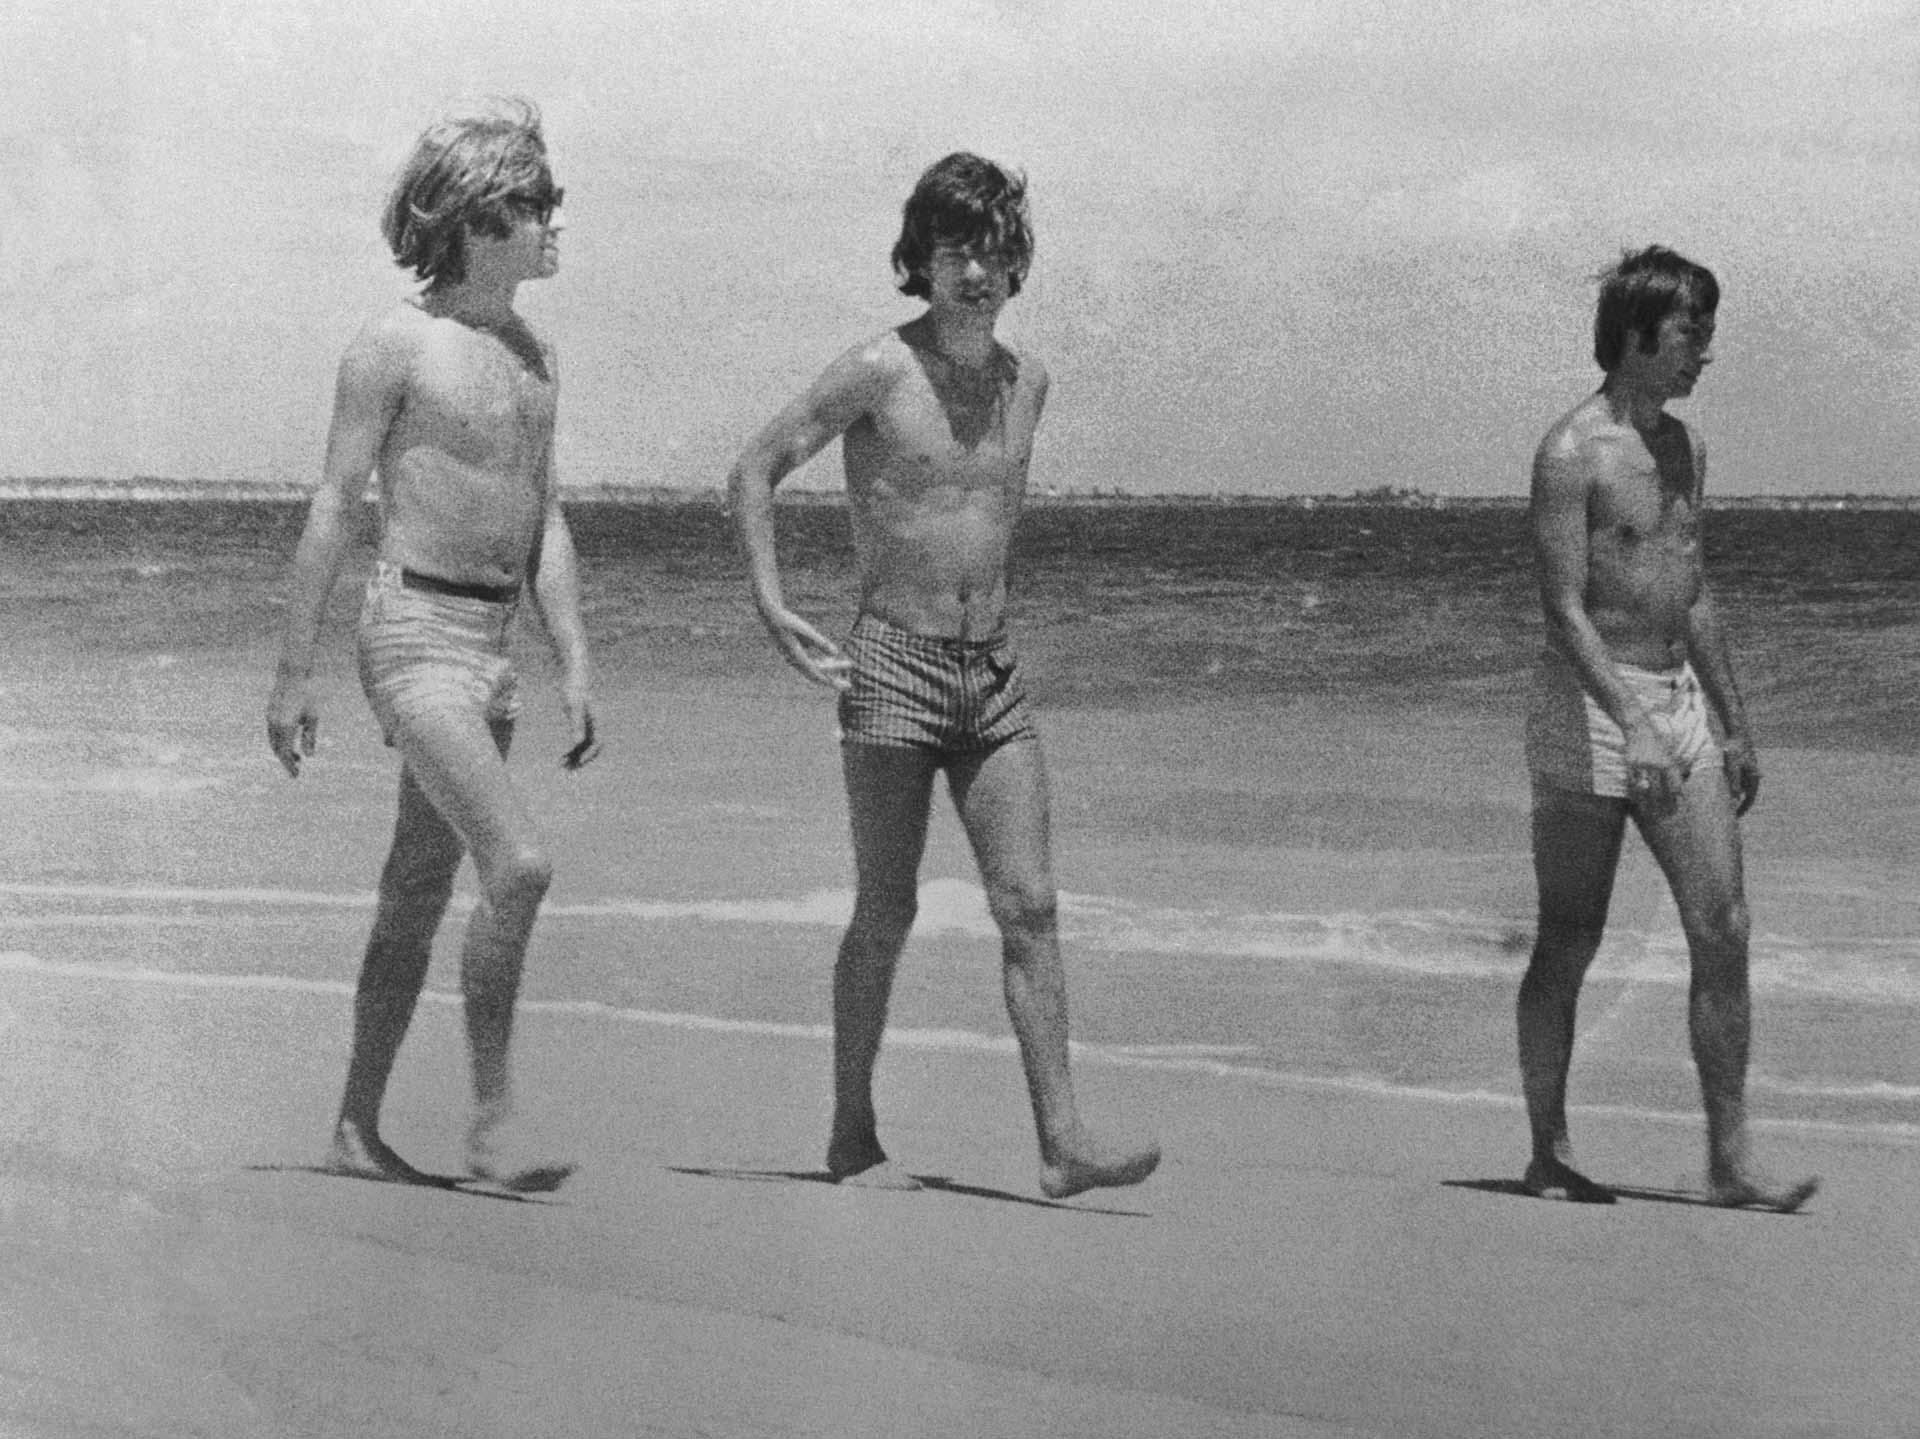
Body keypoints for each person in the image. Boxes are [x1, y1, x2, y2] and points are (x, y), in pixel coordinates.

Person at [728, 152, 1160, 1199]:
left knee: (1033, 903)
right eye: (957, 249)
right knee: (887, 909)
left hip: (993, 671)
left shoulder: (1029, 381)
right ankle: (851, 1134)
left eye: (996, 250)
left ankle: (1062, 1145)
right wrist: (774, 603)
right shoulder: (878, 370)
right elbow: (754, 467)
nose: (978, 270)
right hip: (893, 665)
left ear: (1019, 264)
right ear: (919, 259)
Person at [266, 97, 598, 1193]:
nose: (558, 218)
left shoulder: (536, 355)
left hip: (492, 646)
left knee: (413, 891)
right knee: (522, 863)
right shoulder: (396, 341)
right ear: (478, 213)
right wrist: (294, 669)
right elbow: (333, 500)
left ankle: (354, 1129)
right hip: (409, 632)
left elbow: (543, 516)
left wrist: (574, 661)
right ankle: (496, 1125)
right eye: (540, 201)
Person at [1517, 245, 1818, 1210]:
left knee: (1723, 926)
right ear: (1638, 334)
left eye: (1707, 333)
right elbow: (1564, 609)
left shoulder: (1687, 449)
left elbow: (1690, 592)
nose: (1705, 353)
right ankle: (1549, 1149)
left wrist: (1735, 720)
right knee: (1570, 938)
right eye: (1693, 332)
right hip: (1589, 710)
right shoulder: (1571, 452)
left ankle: (1729, 1161)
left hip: (1675, 705)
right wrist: (1630, 723)